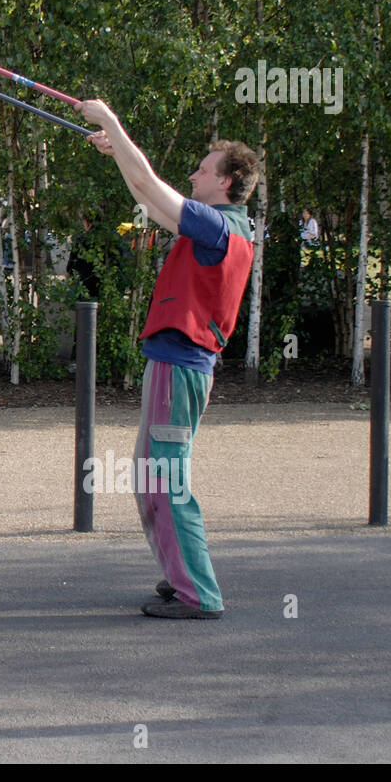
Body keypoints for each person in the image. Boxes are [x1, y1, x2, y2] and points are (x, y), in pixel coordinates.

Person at [80, 98, 259, 620]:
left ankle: (199, 593)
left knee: (165, 478)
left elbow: (155, 188)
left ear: (226, 182)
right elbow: (148, 195)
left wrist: (112, 120)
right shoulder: (221, 225)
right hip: (175, 364)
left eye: (204, 169)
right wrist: (117, 152)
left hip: (181, 366)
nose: (195, 174)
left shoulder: (218, 226)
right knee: (151, 475)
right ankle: (184, 578)